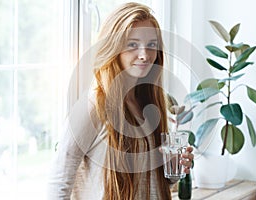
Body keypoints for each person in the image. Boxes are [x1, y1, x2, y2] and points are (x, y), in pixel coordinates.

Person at [48, 2, 194, 200]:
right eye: (132, 44)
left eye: (151, 45)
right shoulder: (94, 105)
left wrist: (172, 169)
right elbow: (59, 180)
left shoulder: (149, 103)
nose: (144, 55)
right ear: (113, 46)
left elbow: (146, 184)